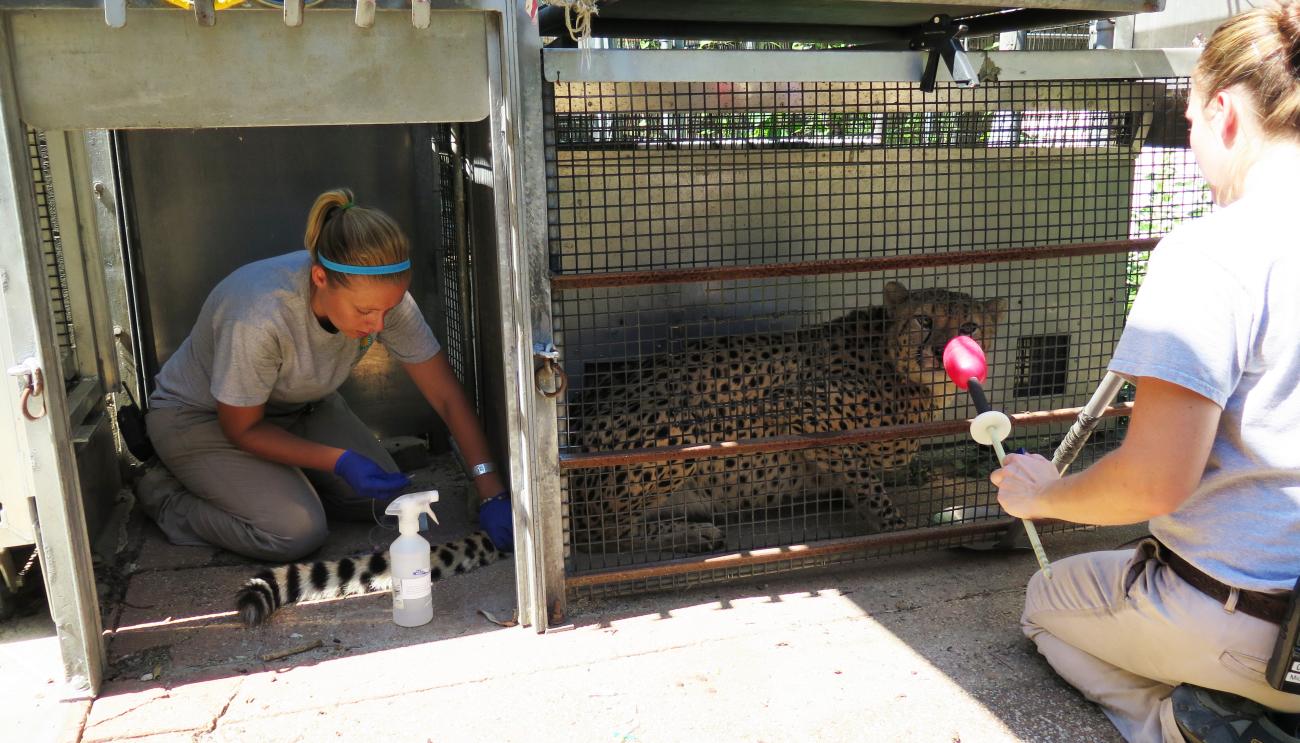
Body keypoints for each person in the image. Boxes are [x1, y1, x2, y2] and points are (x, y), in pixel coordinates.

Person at [990, 3, 1300, 742]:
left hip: (1249, 628)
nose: (1192, 141)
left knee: (1044, 604)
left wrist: (1047, 495)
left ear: (1223, 112)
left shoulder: (1212, 251)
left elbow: (1156, 479)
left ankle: (1186, 724)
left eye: (1188, 121)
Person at [136, 188, 514, 563]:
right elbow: (242, 429)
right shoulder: (260, 314)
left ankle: (281, 481)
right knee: (295, 531)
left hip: (297, 407)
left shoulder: (381, 296)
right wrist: (339, 461)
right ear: (319, 277)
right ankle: (164, 494)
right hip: (202, 418)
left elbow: (445, 395)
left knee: (390, 503)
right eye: (365, 312)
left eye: (389, 309)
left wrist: (491, 490)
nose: (378, 324)